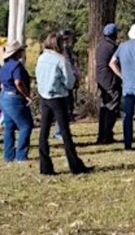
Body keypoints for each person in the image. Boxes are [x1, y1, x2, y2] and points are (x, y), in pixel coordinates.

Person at [36, 33, 92, 175]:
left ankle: (45, 166)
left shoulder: (41, 58)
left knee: (44, 132)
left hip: (44, 96)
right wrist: (75, 80)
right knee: (65, 132)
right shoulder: (60, 60)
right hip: (58, 97)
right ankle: (75, 165)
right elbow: (69, 82)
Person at [0, 41, 34, 163]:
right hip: (14, 98)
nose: (23, 53)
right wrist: (27, 95)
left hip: (4, 97)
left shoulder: (4, 66)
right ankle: (21, 156)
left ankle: (8, 156)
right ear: (17, 53)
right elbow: (18, 82)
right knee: (26, 126)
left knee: (9, 127)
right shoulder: (17, 66)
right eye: (21, 51)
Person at [95, 23, 122, 145]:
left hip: (101, 80)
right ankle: (107, 135)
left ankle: (102, 135)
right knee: (111, 108)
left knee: (104, 108)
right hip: (110, 81)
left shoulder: (101, 46)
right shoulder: (113, 48)